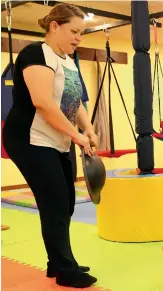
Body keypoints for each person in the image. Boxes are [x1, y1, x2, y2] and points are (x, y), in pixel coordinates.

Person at [2, 3, 98, 288]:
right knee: (54, 199)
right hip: (29, 139)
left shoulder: (69, 59)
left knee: (66, 201)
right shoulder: (35, 53)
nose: (78, 38)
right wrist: (77, 135)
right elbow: (42, 102)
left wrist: (88, 128)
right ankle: (65, 270)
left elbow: (75, 100)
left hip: (60, 138)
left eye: (81, 33)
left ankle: (57, 261)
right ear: (54, 26)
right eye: (74, 31)